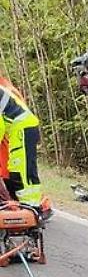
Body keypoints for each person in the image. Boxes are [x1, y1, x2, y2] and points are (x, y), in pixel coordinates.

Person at [0, 78, 42, 206]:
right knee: (16, 168)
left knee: (21, 170)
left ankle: (31, 206)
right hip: (19, 127)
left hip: (22, 128)